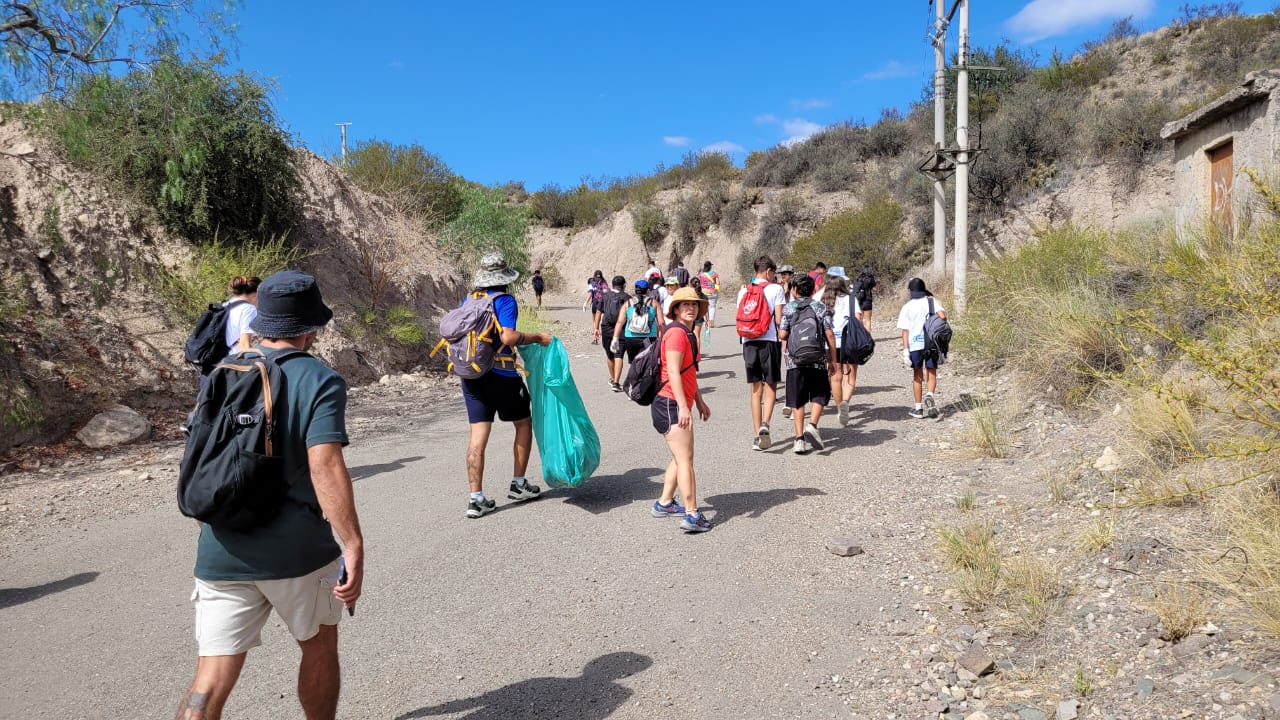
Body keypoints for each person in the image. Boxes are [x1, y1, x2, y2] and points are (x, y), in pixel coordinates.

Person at [174, 270, 364, 720]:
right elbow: (325, 465)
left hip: (220, 548)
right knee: (318, 646)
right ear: (311, 327)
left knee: (211, 677)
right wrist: (353, 544)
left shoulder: (222, 372)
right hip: (295, 551)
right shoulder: (318, 379)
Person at [460, 253, 553, 518]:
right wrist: (537, 337)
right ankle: (519, 484)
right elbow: (509, 337)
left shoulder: (469, 300)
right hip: (502, 374)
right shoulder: (504, 300)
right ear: (504, 277)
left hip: (471, 376)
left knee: (477, 437)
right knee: (523, 423)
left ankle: (475, 498)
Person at [650, 286, 712, 533]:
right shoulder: (676, 334)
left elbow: (688, 373)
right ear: (675, 309)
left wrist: (699, 400)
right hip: (670, 404)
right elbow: (673, 371)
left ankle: (664, 503)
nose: (690, 308)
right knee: (685, 459)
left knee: (681, 456)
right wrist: (684, 407)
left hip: (675, 402)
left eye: (694, 305)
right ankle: (692, 514)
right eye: (684, 304)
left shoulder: (687, 334)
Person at [778, 274, 837, 454]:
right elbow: (829, 334)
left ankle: (798, 440)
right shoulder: (820, 307)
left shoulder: (789, 308)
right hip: (817, 360)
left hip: (795, 362)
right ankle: (812, 425)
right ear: (812, 290)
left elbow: (782, 335)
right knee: (820, 394)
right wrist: (832, 359)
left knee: (797, 400)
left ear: (794, 290)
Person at [736, 256, 786, 451]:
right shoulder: (776, 289)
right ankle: (766, 423)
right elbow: (779, 319)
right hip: (769, 341)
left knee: (755, 389)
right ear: (768, 272)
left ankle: (757, 435)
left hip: (749, 342)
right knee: (771, 385)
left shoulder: (743, 291)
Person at [897, 277, 946, 419]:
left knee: (917, 375)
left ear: (910, 291)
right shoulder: (931, 302)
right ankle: (930, 394)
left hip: (915, 345)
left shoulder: (907, 307)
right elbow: (942, 317)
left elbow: (905, 331)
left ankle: (918, 408)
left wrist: (906, 351)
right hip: (931, 343)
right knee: (931, 372)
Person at [821, 275, 860, 427]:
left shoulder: (823, 301)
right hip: (848, 342)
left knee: (835, 377)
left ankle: (839, 408)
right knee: (850, 377)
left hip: (829, 343)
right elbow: (858, 319)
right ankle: (845, 402)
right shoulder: (851, 300)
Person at [611, 279, 664, 365]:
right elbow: (661, 323)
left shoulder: (628, 303)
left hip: (630, 338)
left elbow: (620, 322)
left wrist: (615, 338)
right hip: (649, 338)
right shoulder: (653, 303)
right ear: (648, 290)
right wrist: (663, 337)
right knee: (648, 363)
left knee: (633, 363)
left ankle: (634, 376)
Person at [599, 276, 631, 392]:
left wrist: (596, 328)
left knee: (609, 354)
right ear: (624, 285)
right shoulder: (628, 298)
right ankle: (616, 382)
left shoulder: (605, 296)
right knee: (619, 355)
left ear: (612, 285)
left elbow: (599, 311)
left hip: (606, 327)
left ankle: (613, 378)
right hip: (622, 328)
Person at [697, 261, 721, 327]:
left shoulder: (700, 275)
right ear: (710, 266)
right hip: (713, 292)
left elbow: (698, 283)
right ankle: (711, 323)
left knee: (704, 307)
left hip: (703, 293)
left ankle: (706, 323)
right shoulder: (714, 274)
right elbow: (718, 283)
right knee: (712, 307)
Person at [854, 266, 877, 332]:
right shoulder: (870, 279)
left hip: (859, 300)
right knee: (868, 319)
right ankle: (868, 337)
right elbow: (874, 286)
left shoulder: (858, 278)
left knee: (860, 319)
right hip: (868, 300)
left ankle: (861, 337)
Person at [587, 270, 606, 342]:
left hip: (595, 302)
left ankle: (595, 336)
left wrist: (586, 302)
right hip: (602, 302)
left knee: (594, 320)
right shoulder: (604, 283)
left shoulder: (592, 282)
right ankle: (600, 332)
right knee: (601, 318)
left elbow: (590, 293)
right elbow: (606, 292)